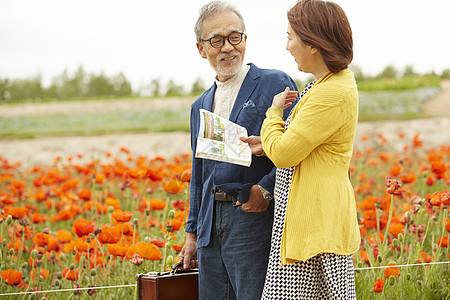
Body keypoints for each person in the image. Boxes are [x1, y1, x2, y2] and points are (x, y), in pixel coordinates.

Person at [178, 1, 298, 299]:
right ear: (201, 48)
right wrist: (192, 234)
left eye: (234, 37)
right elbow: (199, 174)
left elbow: (296, 148)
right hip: (209, 221)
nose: (227, 48)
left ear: (245, 39)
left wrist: (265, 190)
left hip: (252, 216)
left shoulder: (275, 83)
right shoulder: (200, 106)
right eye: (216, 40)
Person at [243, 0, 361, 298]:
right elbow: (304, 146)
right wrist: (266, 145)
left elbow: (285, 153)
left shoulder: (332, 91)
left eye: (290, 37)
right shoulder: (327, 84)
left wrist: (272, 115)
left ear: (312, 43)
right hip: (310, 221)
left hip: (314, 224)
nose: (287, 46)